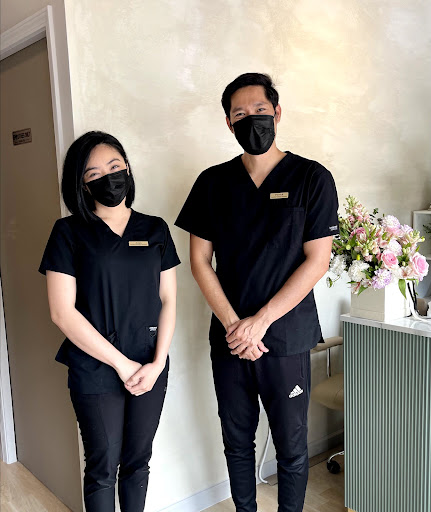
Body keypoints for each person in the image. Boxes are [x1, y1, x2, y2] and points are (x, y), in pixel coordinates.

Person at [175, 73, 339, 512]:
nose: (252, 119)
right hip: (230, 339)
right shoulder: (212, 183)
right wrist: (236, 327)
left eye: (260, 110)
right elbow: (199, 261)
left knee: (292, 446)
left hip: (285, 337)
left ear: (277, 113)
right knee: (236, 441)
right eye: (240, 114)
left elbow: (317, 261)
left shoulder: (312, 178)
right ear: (229, 123)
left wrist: (260, 322)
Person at [39, 131, 180, 512]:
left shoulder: (155, 228)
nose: (108, 177)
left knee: (138, 463)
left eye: (115, 166)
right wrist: (122, 364)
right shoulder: (68, 233)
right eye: (94, 173)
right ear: (82, 185)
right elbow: (61, 312)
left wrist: (157, 362)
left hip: (150, 363)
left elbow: (168, 299)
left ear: (128, 169)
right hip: (96, 367)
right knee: (102, 468)